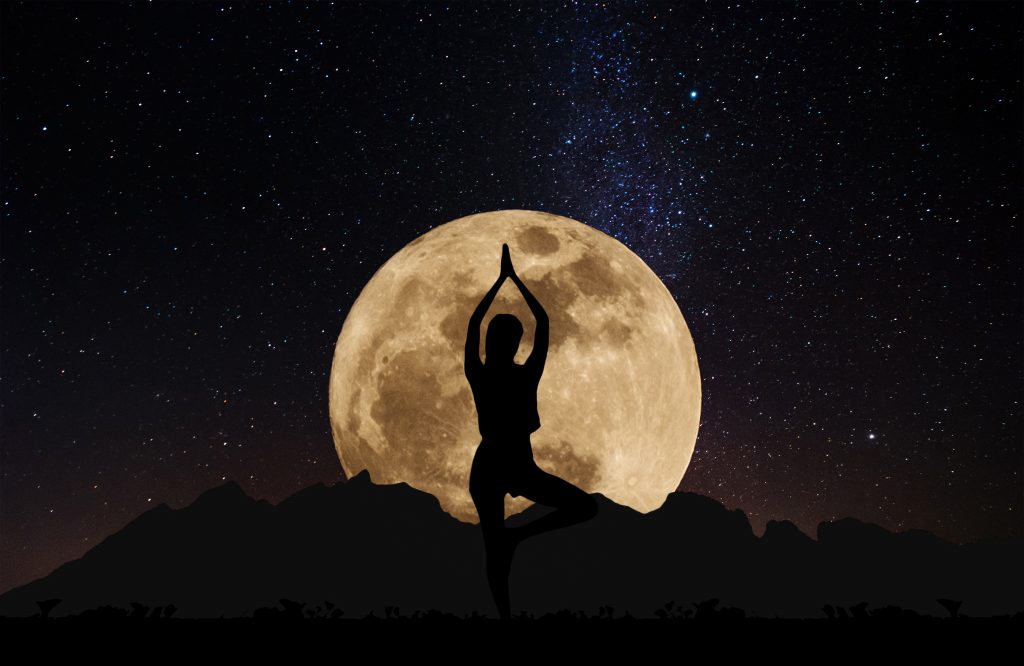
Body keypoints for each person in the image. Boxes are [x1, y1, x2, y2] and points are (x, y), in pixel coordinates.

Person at [465, 243, 598, 619]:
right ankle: (505, 613)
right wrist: (510, 280)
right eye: (508, 338)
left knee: (583, 507)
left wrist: (505, 280)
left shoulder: (505, 375)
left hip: (516, 465)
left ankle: (516, 538)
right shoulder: (501, 375)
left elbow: (492, 324)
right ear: (505, 343)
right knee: (494, 545)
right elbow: (540, 323)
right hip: (494, 465)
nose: (510, 343)